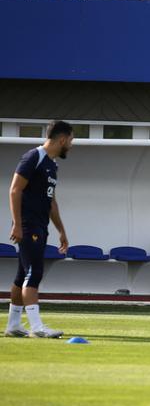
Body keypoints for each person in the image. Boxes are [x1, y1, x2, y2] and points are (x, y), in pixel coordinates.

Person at [5, 120, 73, 339]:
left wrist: (61, 230)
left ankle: (14, 325)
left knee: (21, 275)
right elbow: (15, 190)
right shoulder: (33, 157)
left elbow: (51, 201)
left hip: (40, 226)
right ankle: (37, 327)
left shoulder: (53, 165)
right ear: (62, 139)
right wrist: (17, 223)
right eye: (71, 140)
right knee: (35, 273)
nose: (71, 145)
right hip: (28, 225)